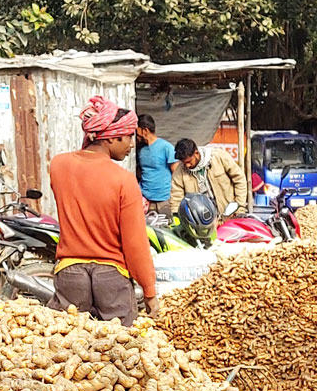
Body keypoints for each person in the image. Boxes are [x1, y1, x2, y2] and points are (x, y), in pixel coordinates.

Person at [48, 96, 156, 326]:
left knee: (68, 346)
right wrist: (149, 291)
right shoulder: (123, 180)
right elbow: (135, 243)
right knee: (123, 347)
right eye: (127, 137)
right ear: (113, 137)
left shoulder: (58, 165)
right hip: (111, 276)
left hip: (70, 273)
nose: (130, 145)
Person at [168, 137, 247, 215]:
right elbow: (176, 197)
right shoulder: (180, 171)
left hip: (228, 215)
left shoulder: (219, 157)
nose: (187, 165)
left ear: (196, 153)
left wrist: (239, 207)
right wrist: (176, 215)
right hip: (201, 220)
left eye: (189, 161)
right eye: (184, 163)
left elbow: (239, 180)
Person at [134, 114, 176, 217]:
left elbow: (177, 173)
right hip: (145, 200)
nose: (136, 135)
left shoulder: (166, 147)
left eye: (137, 131)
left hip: (164, 200)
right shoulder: (140, 150)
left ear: (145, 131)